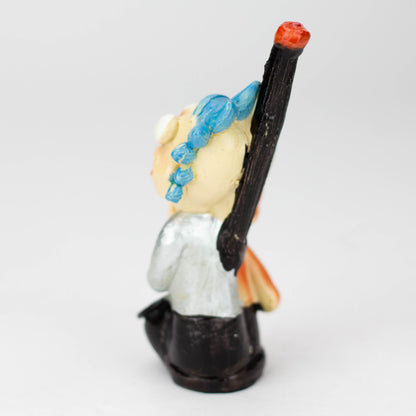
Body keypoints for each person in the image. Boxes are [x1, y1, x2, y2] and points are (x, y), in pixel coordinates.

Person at [140, 82, 279, 393]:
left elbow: (157, 281)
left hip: (193, 333)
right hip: (235, 326)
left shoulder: (178, 230)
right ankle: (246, 360)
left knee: (153, 321)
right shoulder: (231, 227)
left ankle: (190, 369)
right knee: (243, 307)